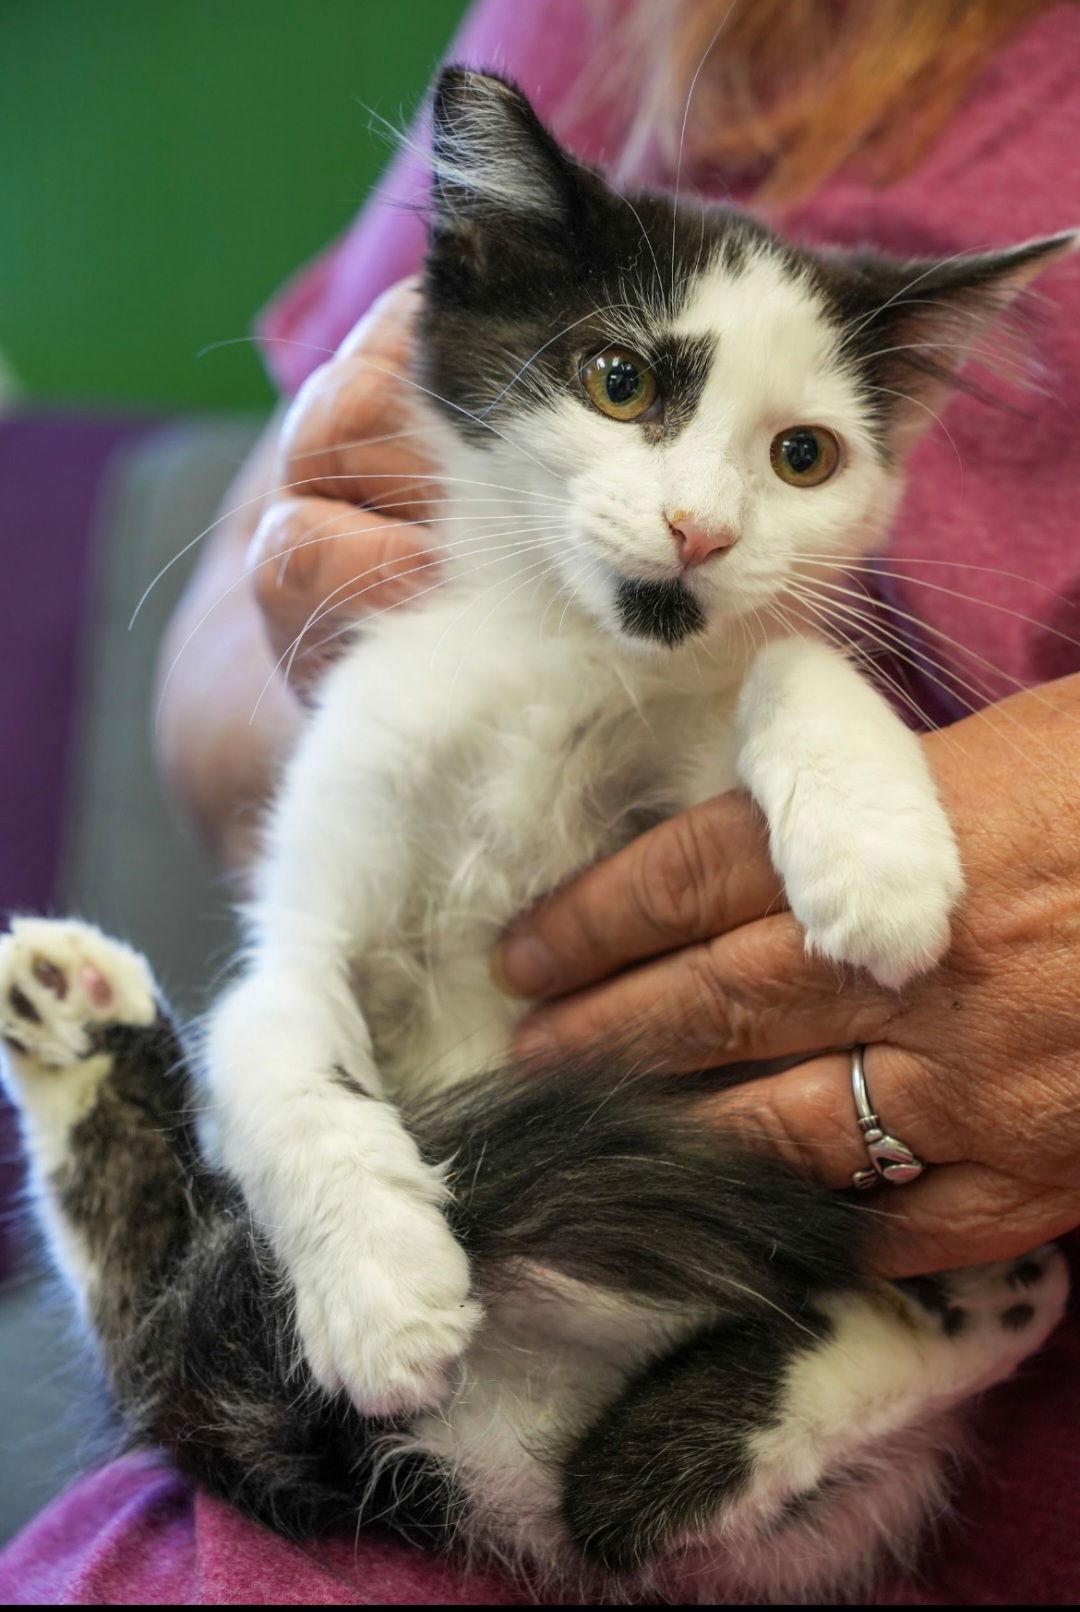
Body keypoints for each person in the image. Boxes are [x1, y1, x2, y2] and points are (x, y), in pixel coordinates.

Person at [4, 0, 1079, 1602]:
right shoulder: (629, 26)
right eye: (629, 382)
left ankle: (180, 1276)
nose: (701, 516)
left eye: (801, 455)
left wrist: (814, 711)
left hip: (773, 1369)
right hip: (474, 1345)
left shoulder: (777, 680)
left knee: (313, 1384)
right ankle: (176, 1262)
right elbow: (260, 793)